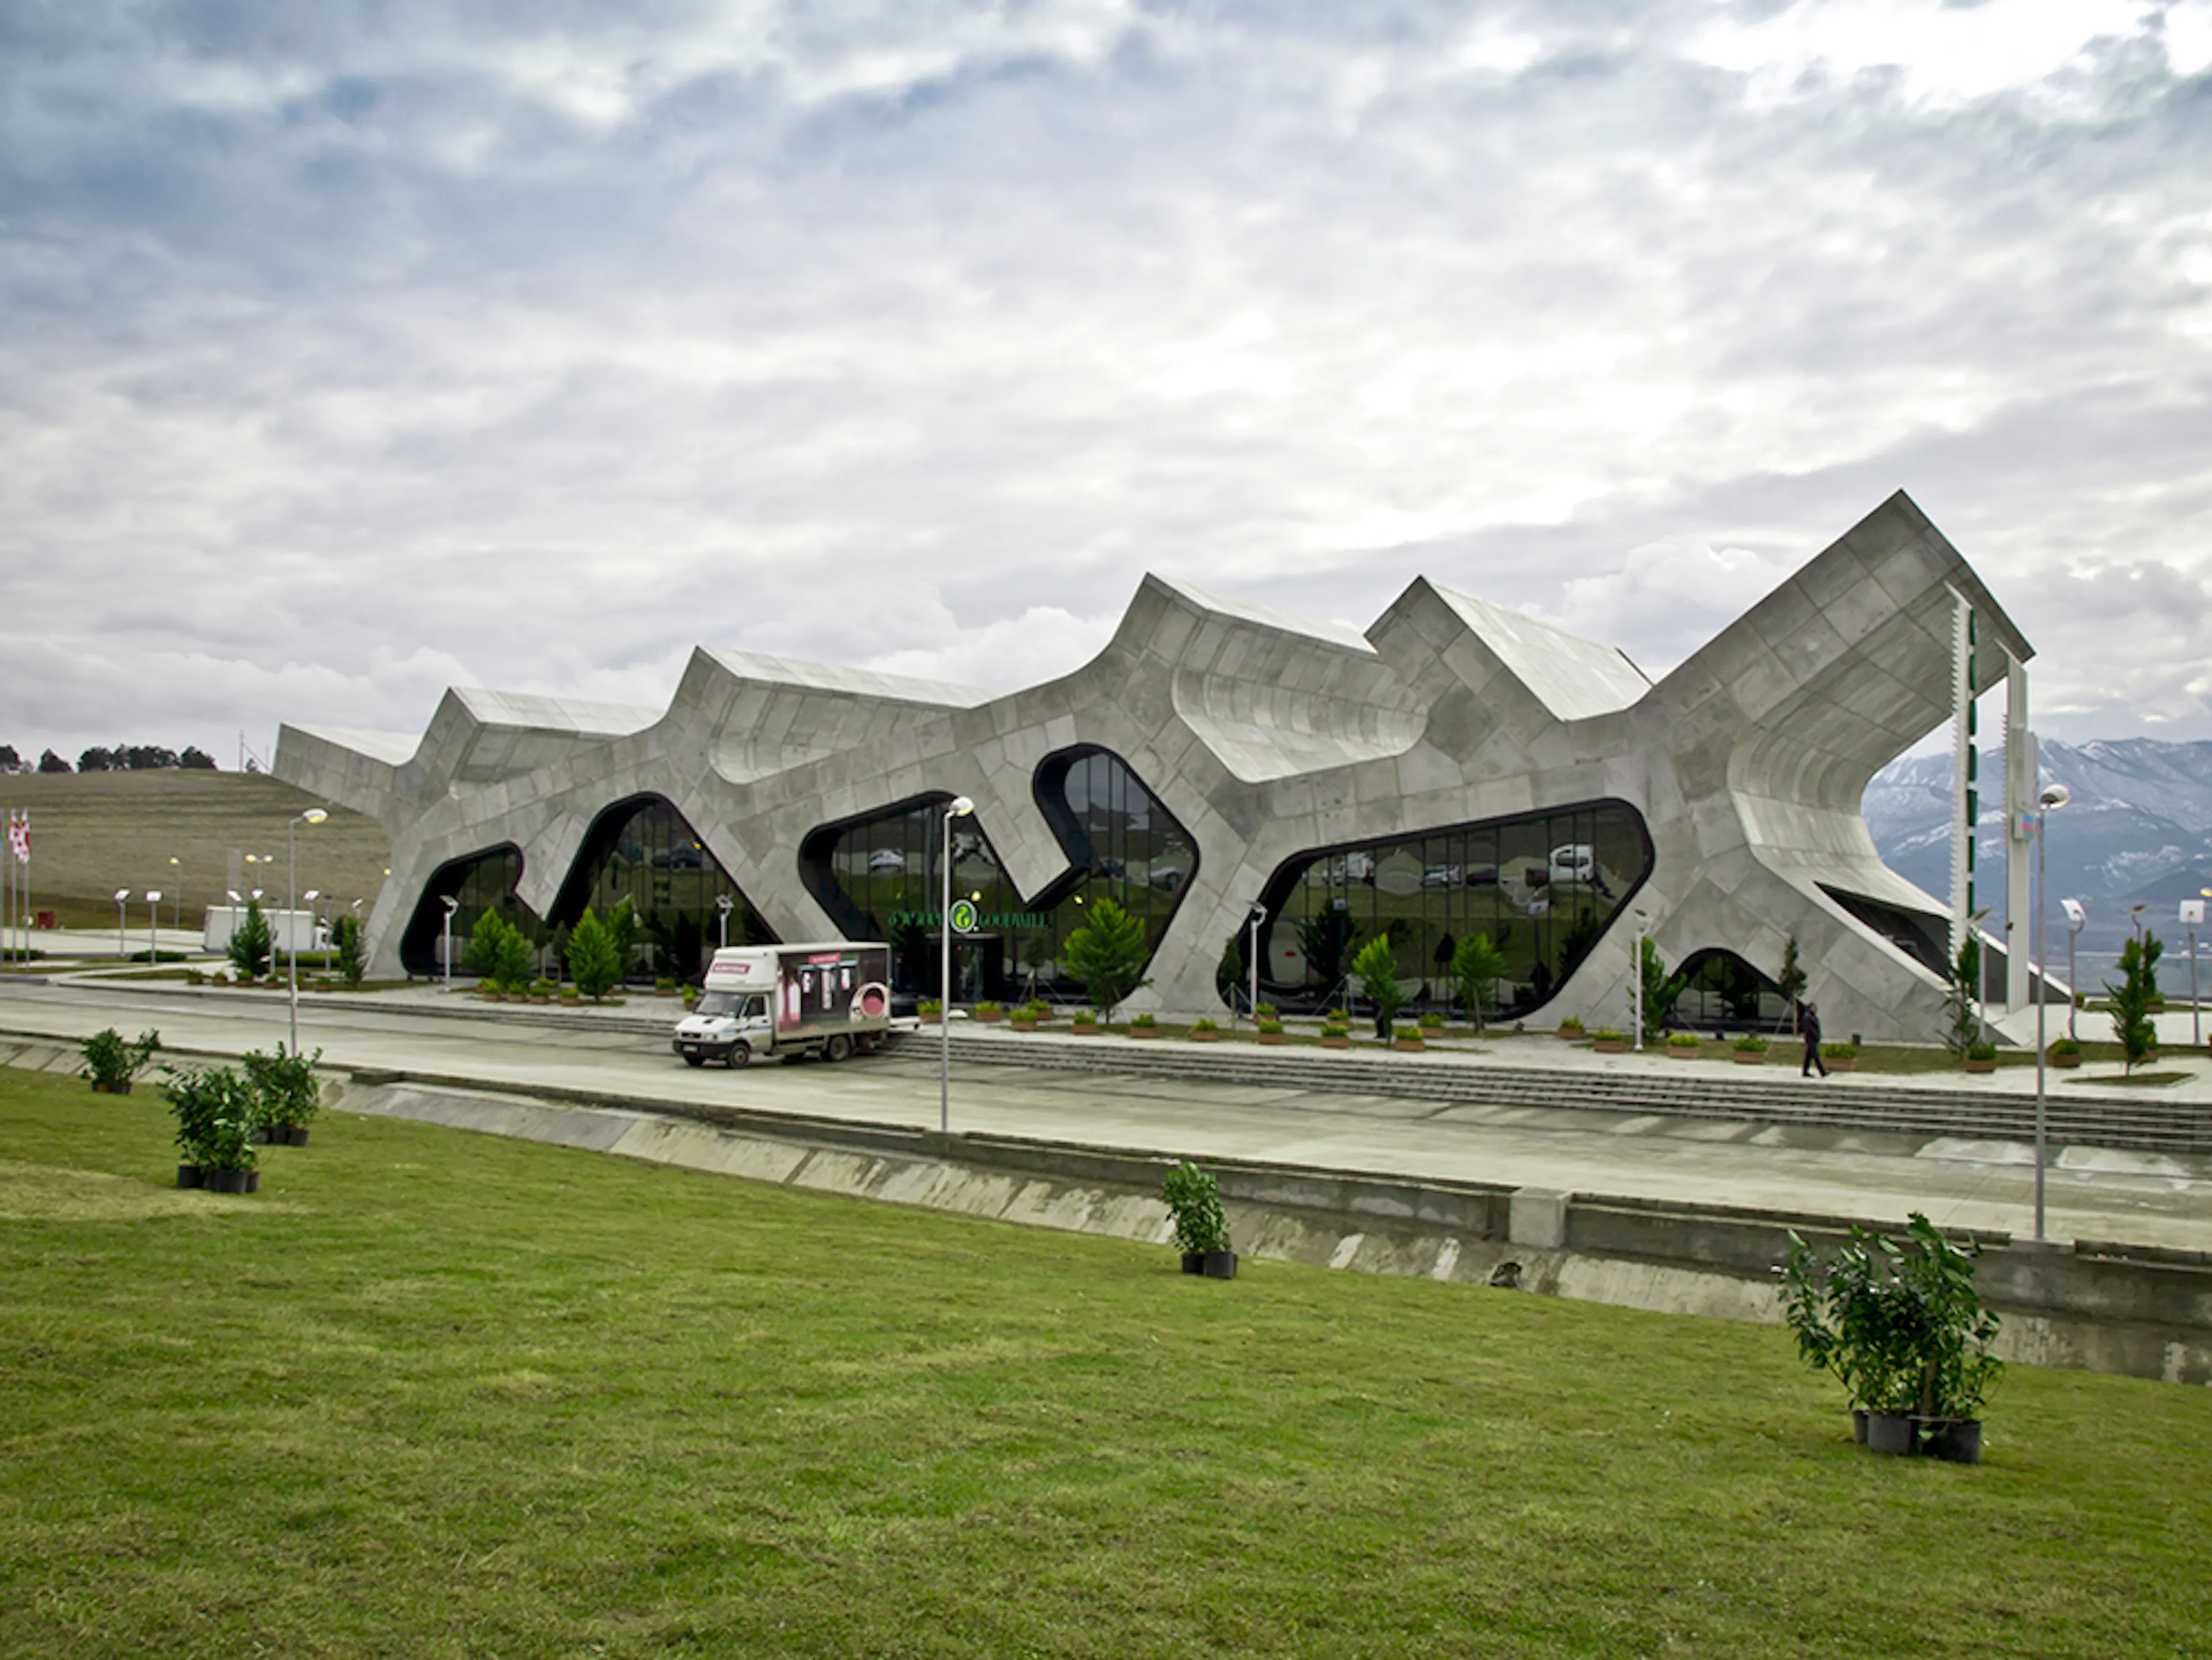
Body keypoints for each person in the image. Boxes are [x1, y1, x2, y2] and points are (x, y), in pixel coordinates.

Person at [1801, 999, 1827, 1078]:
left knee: (1808, 1057)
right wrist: (1816, 1036)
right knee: (1816, 1056)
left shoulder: (1813, 1017)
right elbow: (1809, 1029)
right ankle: (1822, 1072)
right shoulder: (1808, 1017)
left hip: (1813, 1039)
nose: (1816, 1009)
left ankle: (1805, 1072)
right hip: (1811, 1039)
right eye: (1814, 1008)